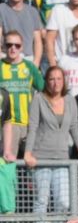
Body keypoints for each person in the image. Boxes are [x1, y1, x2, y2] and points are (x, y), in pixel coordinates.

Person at [25, 65, 78, 223]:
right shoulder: (38, 98)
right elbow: (32, 127)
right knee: (42, 200)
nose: (55, 83)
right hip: (41, 158)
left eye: (59, 79)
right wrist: (28, 152)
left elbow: (75, 128)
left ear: (64, 81)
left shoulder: (70, 100)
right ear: (47, 81)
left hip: (62, 158)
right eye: (52, 79)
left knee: (63, 201)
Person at [0, 30, 44, 160]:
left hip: (29, 124)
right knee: (9, 162)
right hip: (7, 126)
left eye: (17, 45)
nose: (13, 48)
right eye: (9, 45)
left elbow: (44, 90)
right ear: (3, 46)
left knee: (31, 166)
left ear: (22, 47)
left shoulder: (30, 67)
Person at [0, 0, 43, 66]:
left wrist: (36, 63)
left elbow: (37, 41)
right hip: (6, 58)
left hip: (28, 60)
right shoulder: (1, 9)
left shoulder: (33, 11)